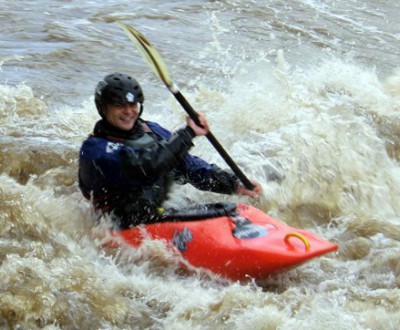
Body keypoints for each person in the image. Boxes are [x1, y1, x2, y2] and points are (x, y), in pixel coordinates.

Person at [78, 72, 262, 229]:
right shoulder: (95, 150)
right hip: (124, 226)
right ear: (103, 108)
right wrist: (188, 133)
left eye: (132, 105)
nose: (128, 111)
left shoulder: (151, 131)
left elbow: (189, 167)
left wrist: (233, 184)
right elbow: (147, 167)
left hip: (163, 214)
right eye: (119, 105)